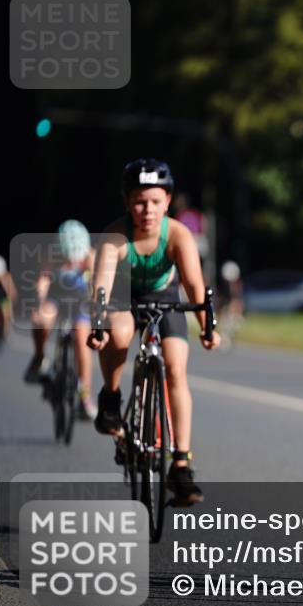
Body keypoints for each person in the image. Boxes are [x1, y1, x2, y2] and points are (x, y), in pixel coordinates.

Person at [88, 158, 220, 506]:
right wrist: (98, 324)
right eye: (139, 202)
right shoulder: (115, 236)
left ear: (168, 201)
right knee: (119, 333)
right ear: (126, 202)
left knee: (176, 368)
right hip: (122, 296)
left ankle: (180, 464)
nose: (147, 210)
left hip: (163, 298)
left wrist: (208, 328)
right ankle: (112, 397)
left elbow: (193, 284)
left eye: (155, 202)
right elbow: (100, 285)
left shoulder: (177, 234)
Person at [25, 220, 98, 419]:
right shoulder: (52, 255)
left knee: (82, 340)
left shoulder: (90, 255)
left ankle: (84, 396)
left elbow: (97, 284)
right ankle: (39, 357)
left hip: (80, 301)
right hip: (57, 298)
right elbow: (43, 281)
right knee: (42, 320)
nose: (71, 260)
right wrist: (38, 304)